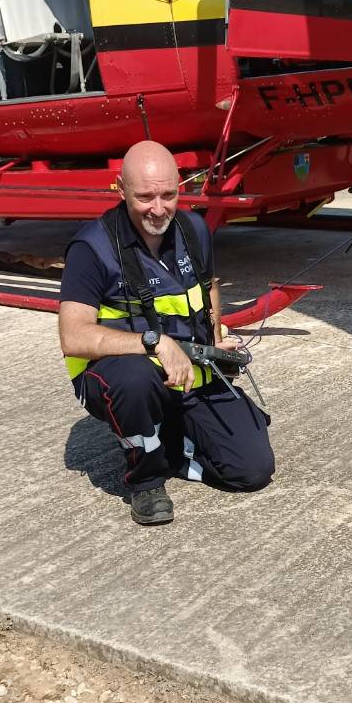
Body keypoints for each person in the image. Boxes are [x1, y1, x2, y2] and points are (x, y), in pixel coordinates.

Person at [58, 141, 274, 525]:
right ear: (120, 189)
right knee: (135, 378)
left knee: (252, 471)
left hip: (188, 372)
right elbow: (73, 337)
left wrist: (213, 336)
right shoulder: (91, 247)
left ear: (181, 188)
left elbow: (209, 285)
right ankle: (146, 479)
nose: (158, 209)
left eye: (168, 195)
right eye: (144, 197)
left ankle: (165, 442)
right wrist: (152, 342)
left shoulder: (192, 228)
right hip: (118, 376)